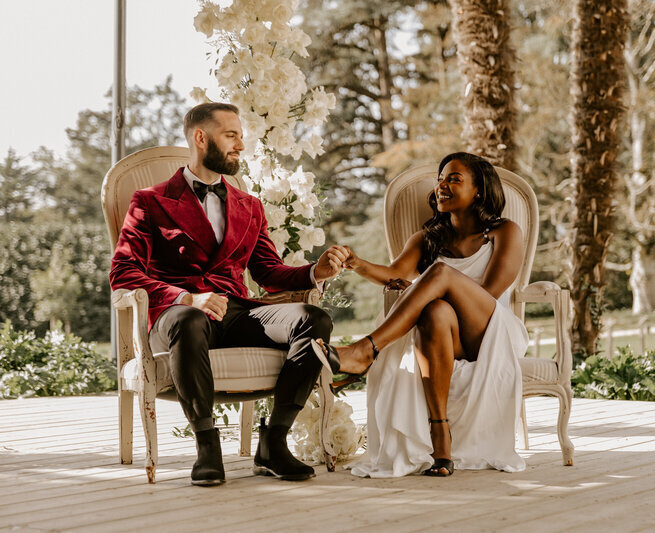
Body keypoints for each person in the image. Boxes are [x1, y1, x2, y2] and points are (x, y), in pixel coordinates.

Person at [110, 102, 348, 486]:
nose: (241, 144)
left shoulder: (249, 206)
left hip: (238, 313)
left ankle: (274, 443)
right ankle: (207, 448)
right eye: (231, 135)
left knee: (313, 318)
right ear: (200, 138)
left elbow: (268, 272)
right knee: (188, 320)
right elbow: (123, 272)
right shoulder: (149, 201)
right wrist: (187, 298)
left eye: (241, 135)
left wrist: (315, 272)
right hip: (178, 317)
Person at [314, 152, 528, 477]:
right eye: (440, 179)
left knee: (440, 276)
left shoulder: (504, 232)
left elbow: (490, 292)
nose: (441, 185)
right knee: (436, 311)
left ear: (479, 190)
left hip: (492, 331)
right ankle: (441, 441)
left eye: (453, 179)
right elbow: (393, 273)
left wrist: (436, 282)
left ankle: (366, 350)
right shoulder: (427, 239)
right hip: (448, 337)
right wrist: (356, 263)